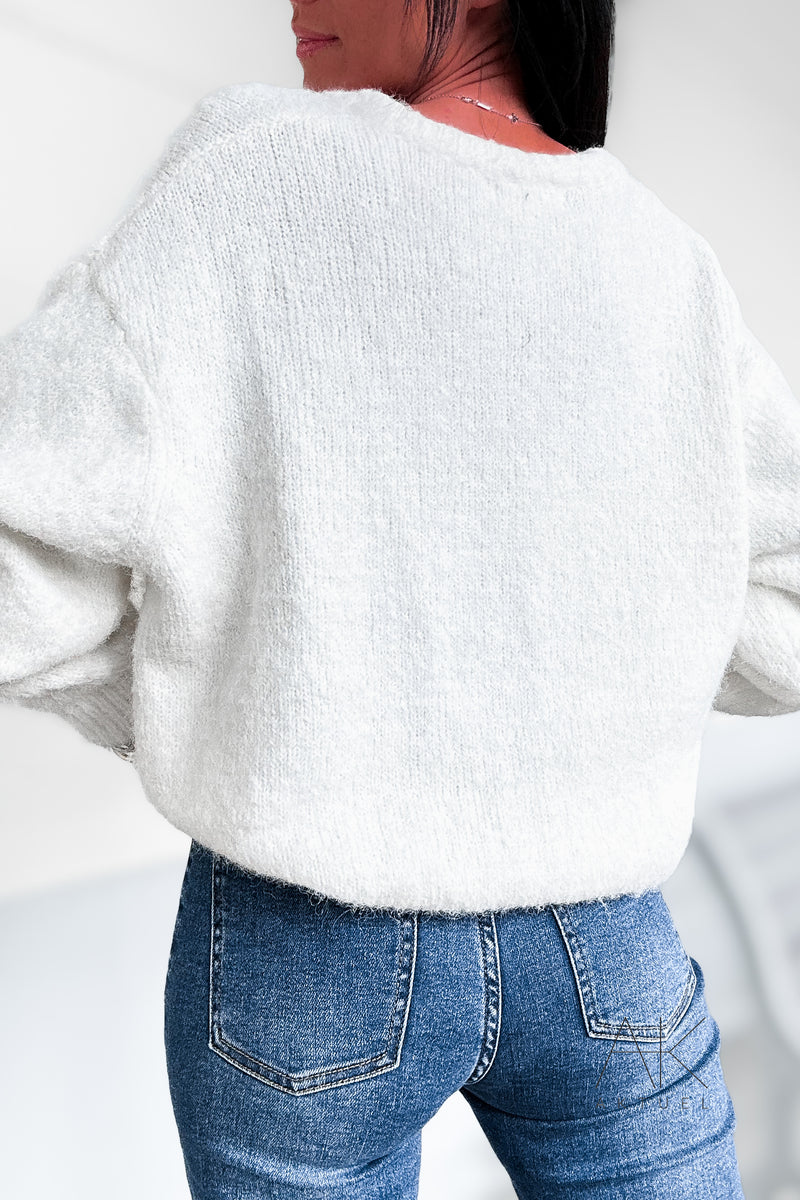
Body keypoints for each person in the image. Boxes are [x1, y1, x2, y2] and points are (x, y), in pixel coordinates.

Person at [1, 0, 798, 1195]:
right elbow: (781, 617)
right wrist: (593, 693)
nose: (293, 3)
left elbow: (18, 568)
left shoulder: (247, 181)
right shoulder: (662, 257)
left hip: (306, 945)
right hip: (605, 944)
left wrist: (222, 706)